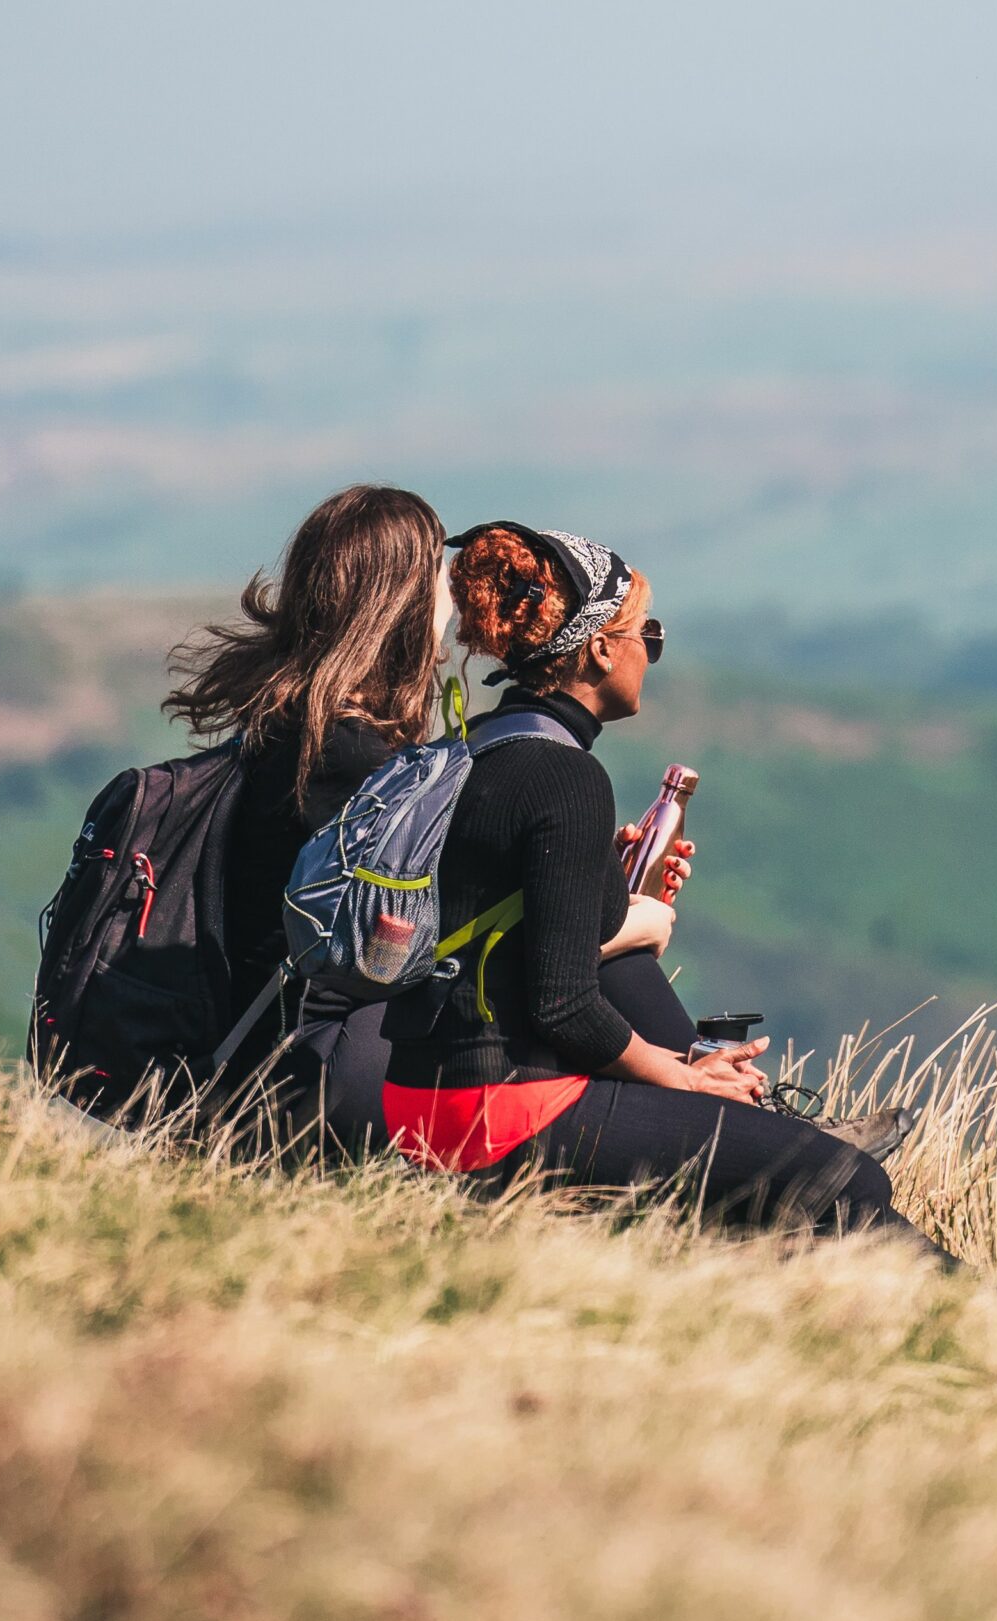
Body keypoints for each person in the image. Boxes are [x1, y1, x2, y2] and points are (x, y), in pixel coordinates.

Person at [380, 520, 950, 1258]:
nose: (651, 649)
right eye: (645, 631)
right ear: (599, 648)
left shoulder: (475, 748)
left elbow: (510, 929)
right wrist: (684, 1080)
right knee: (845, 1178)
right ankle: (989, 1307)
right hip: (497, 1112)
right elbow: (564, 1004)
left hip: (417, 1097)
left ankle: (779, 1156)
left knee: (792, 1172)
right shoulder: (568, 777)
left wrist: (600, 882)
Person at [167, 485, 707, 1158]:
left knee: (598, 964)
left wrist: (583, 878)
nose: (458, 611)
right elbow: (428, 947)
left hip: (281, 1043)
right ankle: (730, 1122)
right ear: (399, 604)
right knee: (610, 972)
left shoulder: (302, 732)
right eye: (440, 589)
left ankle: (734, 1120)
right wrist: (629, 922)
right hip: (313, 1063)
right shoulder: (356, 761)